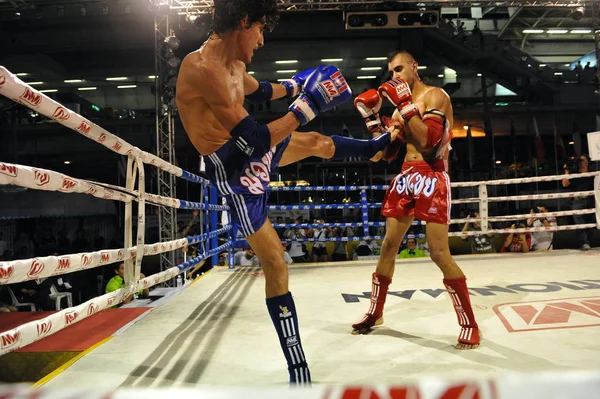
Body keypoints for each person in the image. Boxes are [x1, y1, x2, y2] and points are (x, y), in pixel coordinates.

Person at [175, 0, 400, 384]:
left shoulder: (234, 65)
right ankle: (299, 370)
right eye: (261, 28)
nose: (262, 40)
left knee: (314, 141)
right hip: (233, 170)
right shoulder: (200, 68)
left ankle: (375, 148)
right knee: (276, 263)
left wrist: (302, 81)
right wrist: (310, 101)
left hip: (251, 146)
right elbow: (257, 138)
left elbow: (261, 91)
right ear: (244, 21)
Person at [350, 50, 481, 349]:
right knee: (388, 246)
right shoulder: (397, 111)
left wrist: (405, 104)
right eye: (391, 72)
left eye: (399, 69)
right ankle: (376, 312)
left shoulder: (436, 96)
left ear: (413, 67)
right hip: (406, 176)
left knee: (438, 253)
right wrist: (372, 122)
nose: (394, 76)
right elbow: (380, 155)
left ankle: (469, 323)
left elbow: (428, 142)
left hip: (433, 174)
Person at [562, 154, 595, 250]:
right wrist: (566, 170)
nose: (580, 161)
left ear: (587, 162)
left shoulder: (593, 174)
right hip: (578, 200)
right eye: (579, 160)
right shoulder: (574, 174)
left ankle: (589, 242)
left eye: (582, 160)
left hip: (590, 199)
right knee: (579, 223)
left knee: (590, 224)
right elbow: (565, 184)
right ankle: (584, 243)